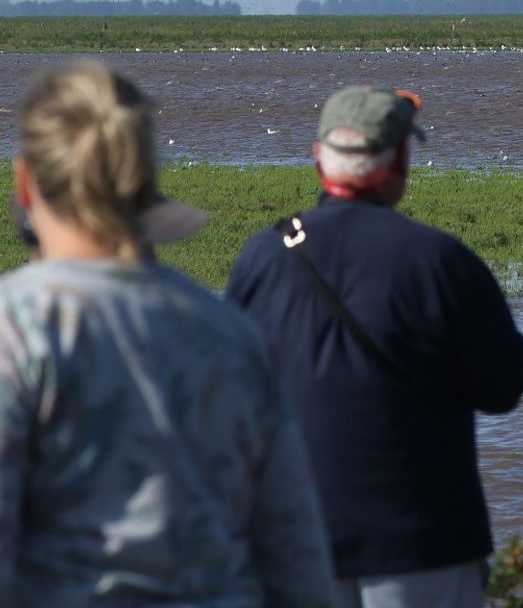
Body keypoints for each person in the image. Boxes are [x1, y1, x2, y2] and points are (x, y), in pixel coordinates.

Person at [0, 60, 338, 607]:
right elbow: (296, 559)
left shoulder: (15, 331)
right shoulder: (229, 333)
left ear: (25, 182)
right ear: (144, 179)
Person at [226, 84, 523, 608]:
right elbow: (503, 389)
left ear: (319, 158)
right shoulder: (441, 261)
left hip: (291, 542)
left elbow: (231, 398)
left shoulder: (262, 258)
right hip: (422, 547)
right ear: (401, 161)